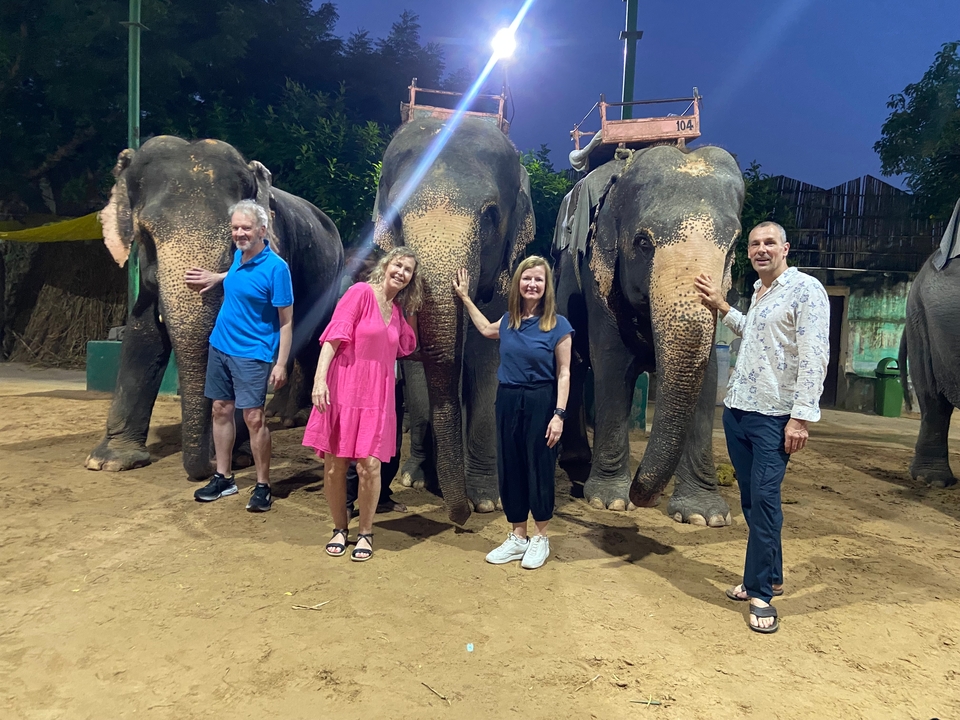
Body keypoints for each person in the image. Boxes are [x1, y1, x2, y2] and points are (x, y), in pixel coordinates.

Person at [694, 221, 829, 633]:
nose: (761, 249)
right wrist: (722, 305)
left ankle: (760, 595)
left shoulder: (806, 290)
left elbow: (814, 354)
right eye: (755, 244)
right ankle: (772, 575)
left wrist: (801, 417)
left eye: (769, 243)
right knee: (753, 501)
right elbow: (755, 332)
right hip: (738, 411)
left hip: (774, 417)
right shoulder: (760, 292)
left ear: (785, 248)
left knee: (766, 500)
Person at [452, 256, 573, 570]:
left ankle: (540, 536)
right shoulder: (508, 321)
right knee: (510, 465)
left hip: (542, 400)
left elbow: (564, 373)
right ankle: (518, 535)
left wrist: (558, 414)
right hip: (507, 398)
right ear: (518, 283)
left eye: (538, 280)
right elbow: (483, 328)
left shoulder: (558, 325)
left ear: (546, 287)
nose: (532, 284)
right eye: (527, 279)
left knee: (539, 465)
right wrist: (465, 298)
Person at [302, 247, 422, 562]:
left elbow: (408, 345)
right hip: (343, 388)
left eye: (408, 270)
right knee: (335, 465)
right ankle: (340, 528)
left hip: (377, 397)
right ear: (386, 265)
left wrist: (410, 305)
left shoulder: (396, 312)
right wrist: (319, 380)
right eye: (398, 265)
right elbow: (333, 338)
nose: (401, 272)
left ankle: (366, 532)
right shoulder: (359, 293)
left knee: (369, 465)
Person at [185, 200, 294, 512]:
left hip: (253, 353)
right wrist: (218, 277)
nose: (239, 233)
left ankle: (262, 484)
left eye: (246, 227)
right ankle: (224, 477)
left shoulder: (277, 269)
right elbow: (238, 277)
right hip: (221, 346)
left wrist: (281, 362)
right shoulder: (238, 256)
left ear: (262, 230)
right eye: (235, 227)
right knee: (220, 410)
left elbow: (286, 321)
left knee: (254, 418)